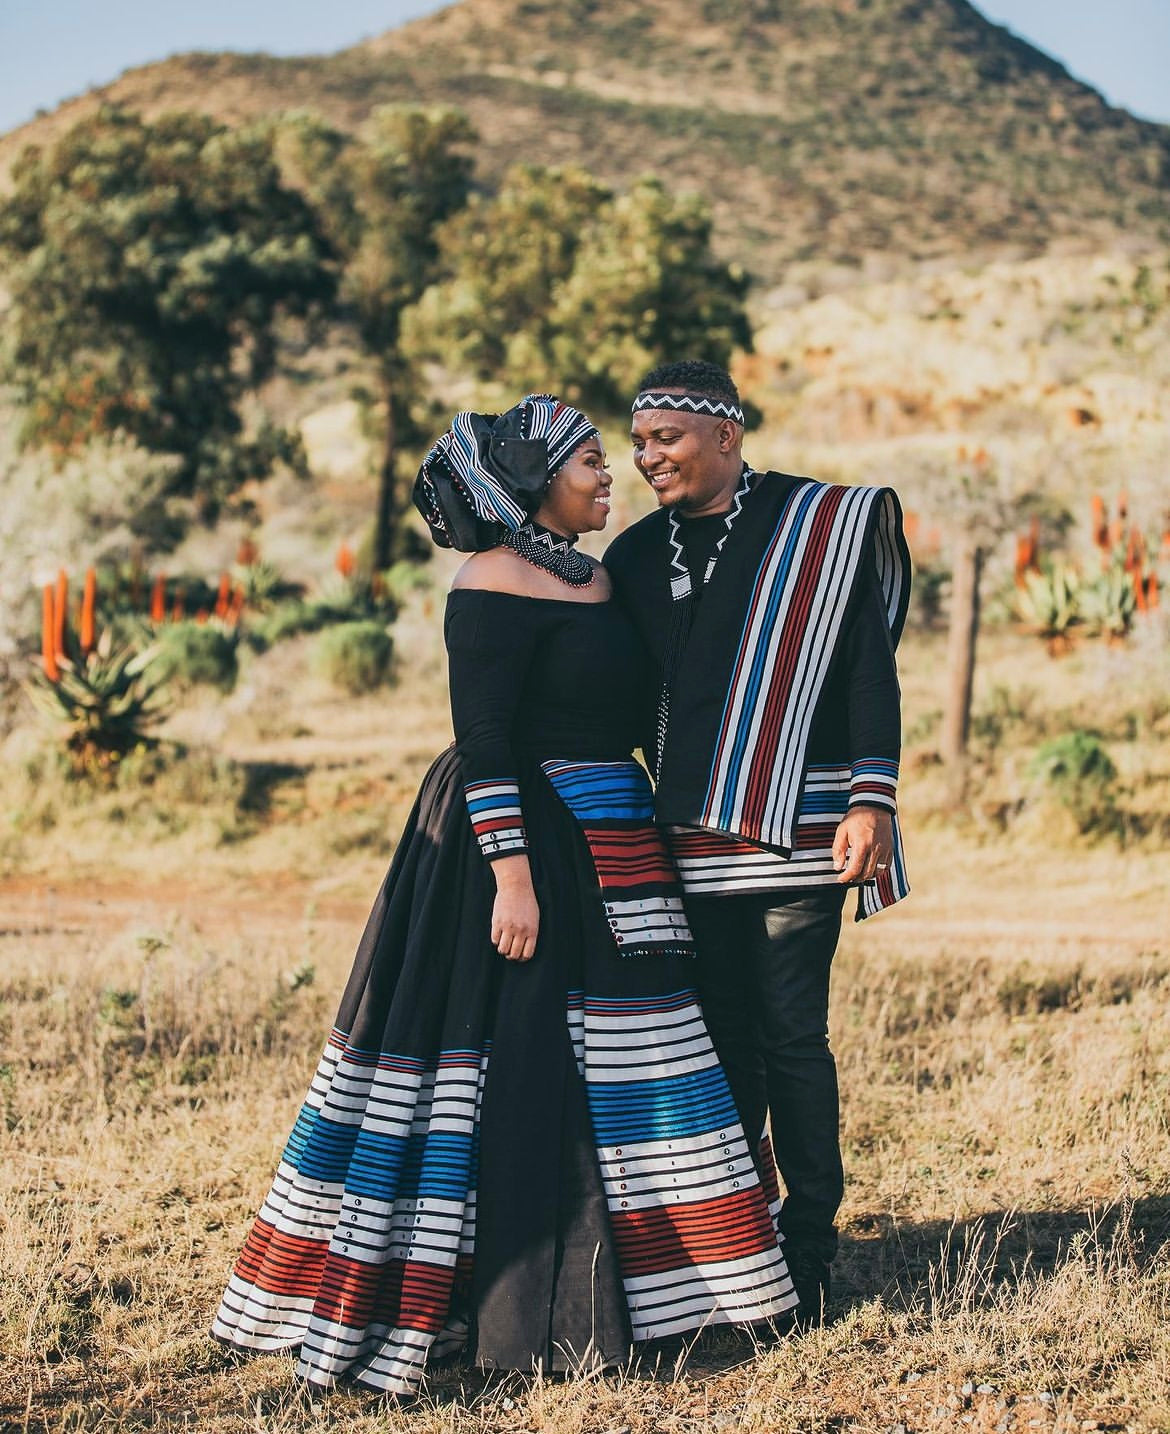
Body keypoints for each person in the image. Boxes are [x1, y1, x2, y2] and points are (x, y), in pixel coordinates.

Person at [211, 394, 797, 1398]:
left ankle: (665, 1293)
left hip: (615, 838)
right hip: (514, 844)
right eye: (589, 462)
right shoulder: (487, 583)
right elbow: (484, 739)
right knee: (516, 1065)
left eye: (608, 460)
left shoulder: (599, 576)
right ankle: (509, 1308)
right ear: (533, 482)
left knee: (635, 1062)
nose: (609, 476)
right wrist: (512, 881)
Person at [604, 360, 912, 1327]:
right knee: (724, 1044)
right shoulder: (634, 556)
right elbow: (618, 696)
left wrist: (873, 799)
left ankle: (810, 1245)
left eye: (667, 438)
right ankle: (743, 1247)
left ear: (726, 434)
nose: (648, 456)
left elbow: (867, 672)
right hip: (688, 843)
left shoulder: (817, 525)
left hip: (801, 833)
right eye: (639, 441)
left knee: (790, 1039)